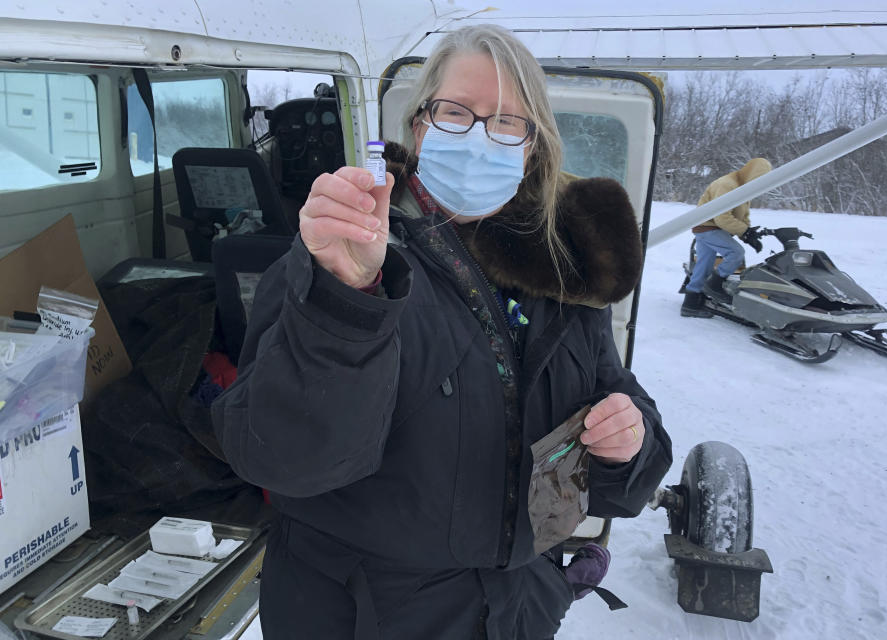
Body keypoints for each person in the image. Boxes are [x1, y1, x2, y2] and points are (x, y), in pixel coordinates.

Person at [213, 24, 672, 640]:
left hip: (515, 611)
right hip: (360, 615)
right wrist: (346, 303)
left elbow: (617, 429)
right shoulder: (347, 258)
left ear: (531, 146)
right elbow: (283, 459)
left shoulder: (564, 275)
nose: (482, 136)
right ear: (421, 124)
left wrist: (630, 440)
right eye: (458, 112)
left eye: (508, 122)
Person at [680, 157, 772, 317]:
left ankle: (690, 305)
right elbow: (722, 217)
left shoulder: (744, 187)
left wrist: (749, 234)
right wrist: (744, 232)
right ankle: (714, 285)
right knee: (736, 253)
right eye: (758, 178)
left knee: (703, 266)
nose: (759, 182)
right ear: (751, 173)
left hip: (709, 227)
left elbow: (743, 214)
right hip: (709, 226)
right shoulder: (727, 185)